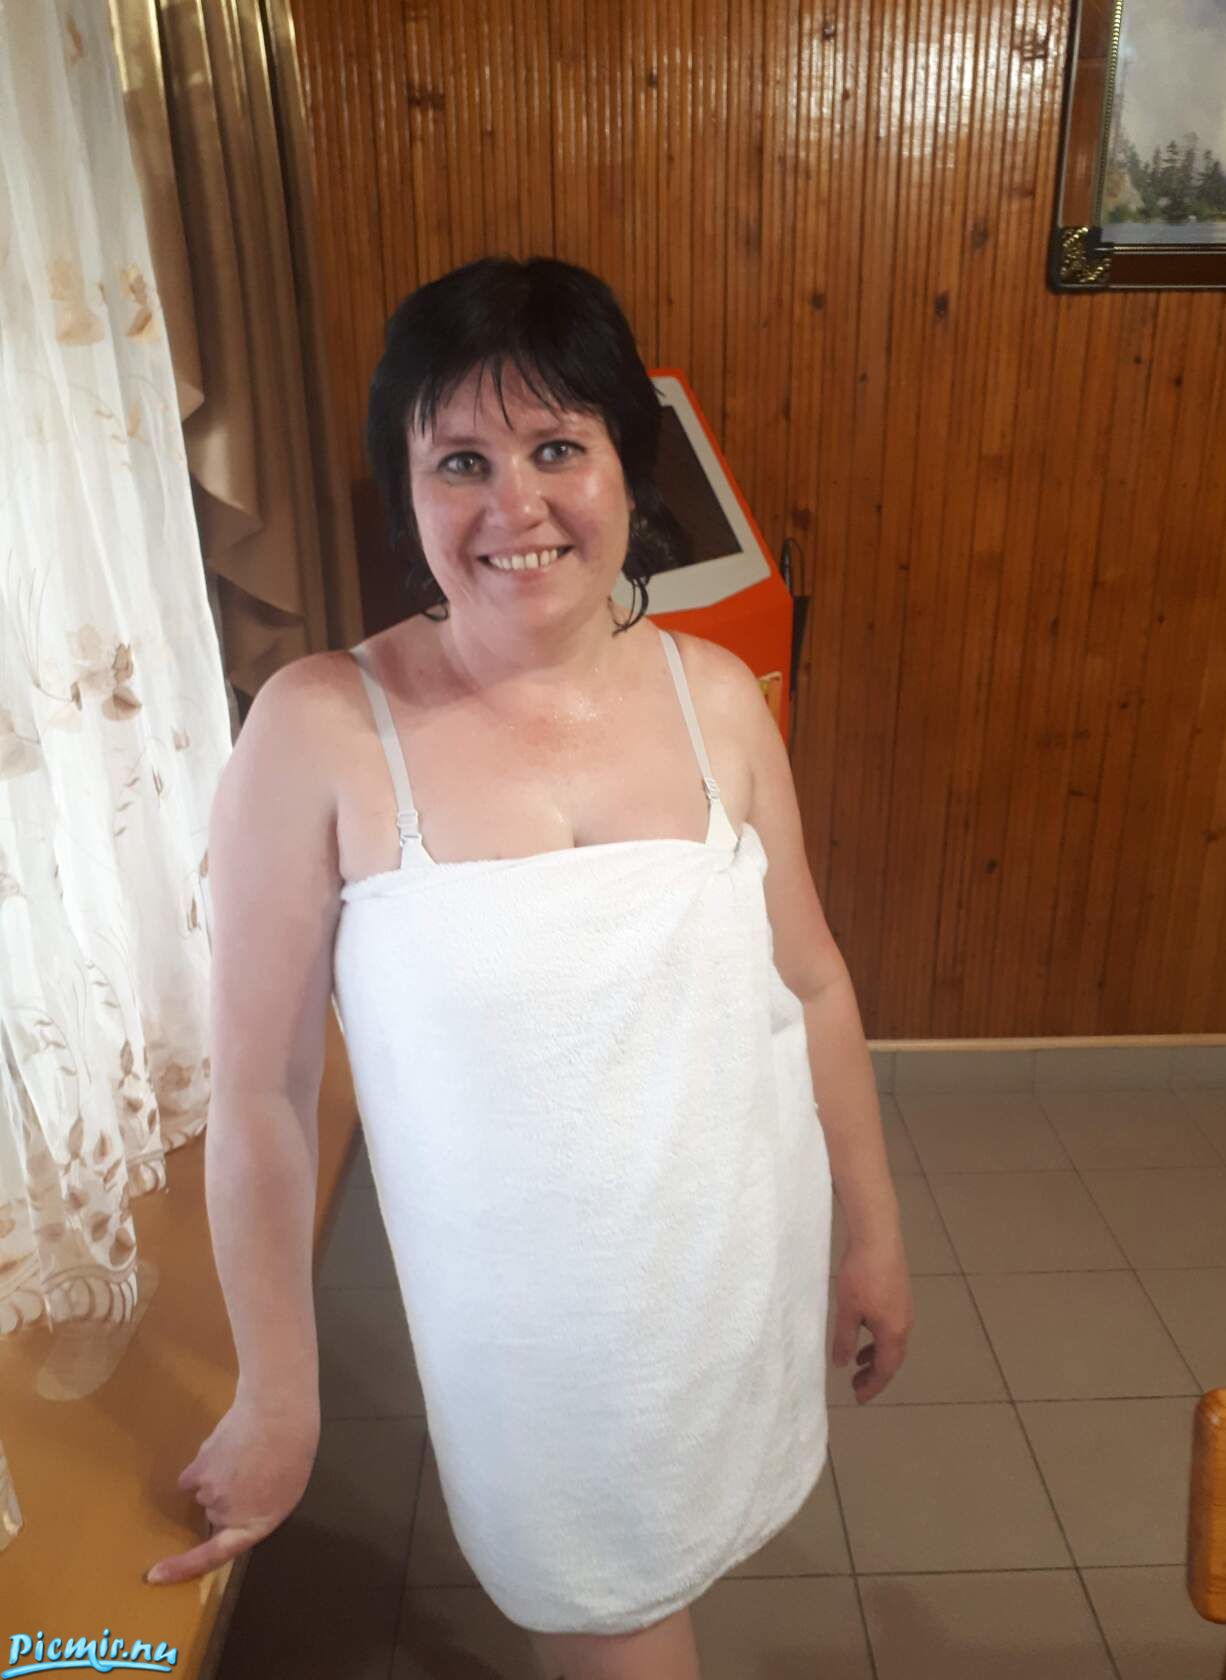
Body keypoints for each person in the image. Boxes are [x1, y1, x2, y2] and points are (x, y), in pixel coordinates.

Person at [144, 256, 913, 1680]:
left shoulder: (716, 701)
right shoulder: (319, 730)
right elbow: (261, 1093)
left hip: (720, 1271)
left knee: (678, 1562)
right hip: (528, 1340)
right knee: (605, 1608)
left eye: (559, 447)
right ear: (407, 493)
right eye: (461, 462)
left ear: (628, 467)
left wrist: (871, 1234)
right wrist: (278, 1392)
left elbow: (808, 983)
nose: (517, 507)